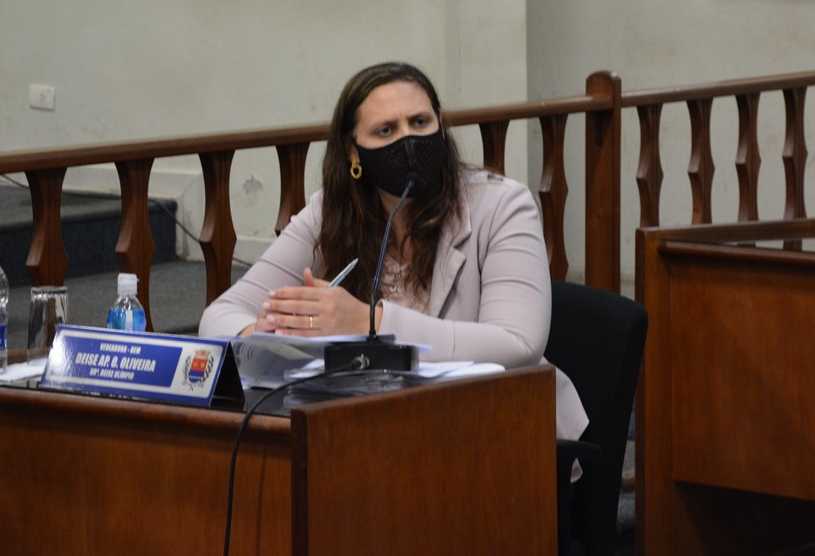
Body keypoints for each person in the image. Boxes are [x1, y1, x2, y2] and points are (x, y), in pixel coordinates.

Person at [200, 62, 588, 440]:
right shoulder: (330, 213)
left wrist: (370, 323)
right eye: (385, 130)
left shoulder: (503, 205)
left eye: (419, 122)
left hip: (501, 428)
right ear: (354, 152)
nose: (408, 141)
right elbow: (219, 315)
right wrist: (262, 336)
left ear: (440, 123)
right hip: (381, 429)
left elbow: (517, 345)